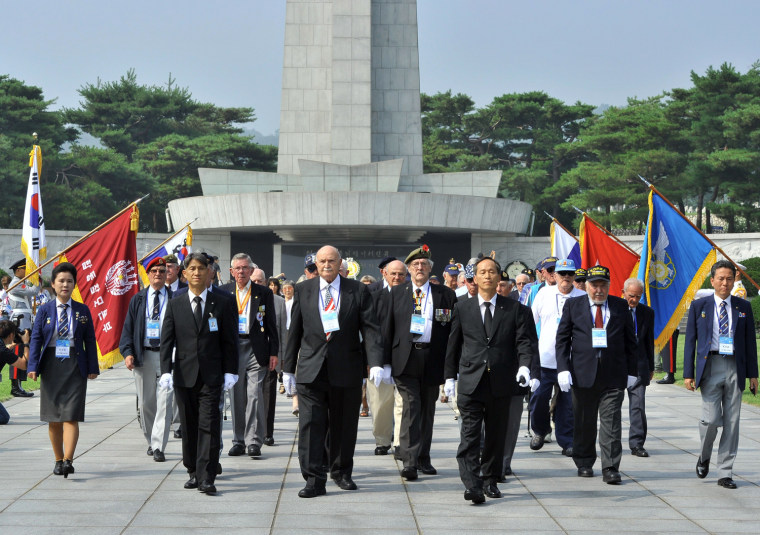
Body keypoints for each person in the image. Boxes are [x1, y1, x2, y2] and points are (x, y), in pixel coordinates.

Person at [282, 245, 386, 498]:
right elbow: (293, 331)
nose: (326, 265)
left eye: (331, 261)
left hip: (346, 368)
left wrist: (375, 362)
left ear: (341, 264)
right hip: (311, 369)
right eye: (322, 261)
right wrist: (287, 369)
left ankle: (341, 473)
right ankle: (313, 480)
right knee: (311, 426)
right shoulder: (303, 290)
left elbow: (370, 329)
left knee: (344, 425)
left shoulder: (357, 290)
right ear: (316, 264)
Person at [444, 256, 537, 503]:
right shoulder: (462, 308)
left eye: (491, 272)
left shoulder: (516, 310)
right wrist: (449, 377)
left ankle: (490, 479)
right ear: (475, 278)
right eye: (482, 272)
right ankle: (472, 484)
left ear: (498, 277)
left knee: (496, 436)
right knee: (470, 436)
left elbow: (525, 343)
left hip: (501, 382)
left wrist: (526, 368)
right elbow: (453, 345)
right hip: (471, 382)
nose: (487, 276)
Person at [159, 252, 239, 495]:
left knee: (210, 425)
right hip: (184, 375)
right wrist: (166, 372)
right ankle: (193, 470)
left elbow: (230, 341)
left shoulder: (223, 303)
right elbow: (167, 340)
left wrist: (230, 372)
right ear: (184, 274)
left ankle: (207, 476)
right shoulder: (175, 304)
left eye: (201, 268)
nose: (196, 273)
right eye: (191, 269)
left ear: (209, 272)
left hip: (212, 376)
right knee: (190, 425)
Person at [555, 265, 637, 484]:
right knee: (584, 421)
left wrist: (632, 371)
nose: (598, 290)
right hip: (582, 374)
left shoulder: (620, 306)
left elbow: (631, 342)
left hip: (612, 375)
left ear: (609, 286)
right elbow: (562, 340)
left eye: (603, 285)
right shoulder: (574, 305)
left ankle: (610, 466)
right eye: (594, 285)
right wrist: (563, 368)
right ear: (586, 286)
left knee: (611, 423)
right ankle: (584, 461)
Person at [383, 247, 457, 480]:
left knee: (427, 409)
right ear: (409, 269)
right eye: (415, 264)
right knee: (411, 407)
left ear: (430, 269)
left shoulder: (445, 294)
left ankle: (423, 457)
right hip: (405, 358)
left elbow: (451, 332)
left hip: (432, 357)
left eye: (424, 264)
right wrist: (383, 363)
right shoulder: (397, 293)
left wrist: (450, 368)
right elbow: (386, 329)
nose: (420, 268)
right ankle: (409, 460)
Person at [684, 260, 758, 489]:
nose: (725, 283)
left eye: (729, 278)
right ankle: (704, 455)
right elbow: (690, 342)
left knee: (733, 421)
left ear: (733, 279)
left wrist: (753, 374)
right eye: (721, 278)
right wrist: (688, 373)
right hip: (710, 366)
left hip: (735, 366)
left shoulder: (742, 306)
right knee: (712, 419)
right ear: (712, 280)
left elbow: (749, 343)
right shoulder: (700, 306)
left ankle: (725, 471)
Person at [27, 262, 99, 478]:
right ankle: (58, 460)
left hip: (75, 364)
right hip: (51, 365)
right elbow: (36, 339)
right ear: (53, 284)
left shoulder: (82, 310)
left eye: (69, 281)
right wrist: (32, 366)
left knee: (71, 415)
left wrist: (93, 368)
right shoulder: (44, 310)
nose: (65, 285)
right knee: (54, 417)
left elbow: (89, 339)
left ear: (74, 284)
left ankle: (69, 459)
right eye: (61, 281)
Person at [220, 258, 278, 459]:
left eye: (245, 268)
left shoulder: (263, 293)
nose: (241, 271)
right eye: (237, 268)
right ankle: (238, 440)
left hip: (256, 347)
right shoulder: (224, 291)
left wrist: (274, 352)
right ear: (231, 271)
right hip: (233, 347)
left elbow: (271, 324)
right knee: (236, 396)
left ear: (252, 270)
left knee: (254, 394)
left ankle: (254, 440)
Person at [118, 256, 174, 462]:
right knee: (146, 403)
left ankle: (159, 445)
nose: (158, 274)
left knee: (166, 400)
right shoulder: (138, 299)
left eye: (162, 271)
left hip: (168, 356)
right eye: (154, 271)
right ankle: (151, 439)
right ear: (148, 275)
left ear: (167, 274)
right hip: (145, 355)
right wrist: (127, 352)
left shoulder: (174, 297)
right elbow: (128, 329)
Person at [529, 259, 585, 456]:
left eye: (570, 274)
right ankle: (540, 430)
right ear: (555, 276)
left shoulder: (582, 297)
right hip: (545, 359)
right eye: (562, 274)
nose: (566, 278)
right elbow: (530, 323)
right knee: (538, 399)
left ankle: (566, 440)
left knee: (567, 405)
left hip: (570, 362)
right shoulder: (544, 294)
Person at [367, 259, 406, 456]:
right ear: (385, 274)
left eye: (401, 274)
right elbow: (369, 332)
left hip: (405, 361)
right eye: (394, 274)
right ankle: (382, 441)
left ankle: (399, 443)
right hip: (379, 361)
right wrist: (372, 361)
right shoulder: (374, 298)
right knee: (380, 405)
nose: (397, 278)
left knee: (402, 404)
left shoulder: (413, 297)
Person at [622, 278, 655, 458]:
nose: (633, 300)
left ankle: (637, 444)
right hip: (618, 365)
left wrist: (650, 366)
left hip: (639, 365)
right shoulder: (615, 310)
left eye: (637, 296)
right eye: (631, 296)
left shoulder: (647, 313)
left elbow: (649, 341)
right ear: (623, 292)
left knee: (638, 406)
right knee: (611, 407)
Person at [0, 320, 30, 424]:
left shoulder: (3, 349)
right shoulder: (3, 351)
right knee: (3, 417)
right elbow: (24, 365)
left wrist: (11, 346)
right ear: (11, 334)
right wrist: (26, 343)